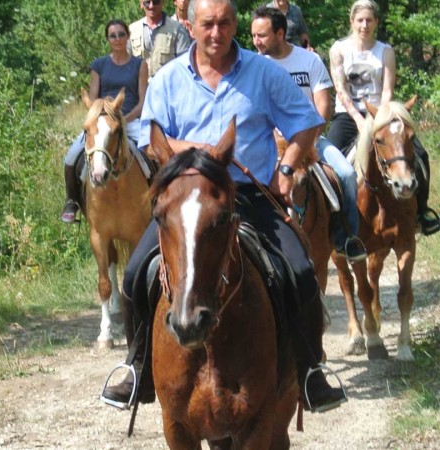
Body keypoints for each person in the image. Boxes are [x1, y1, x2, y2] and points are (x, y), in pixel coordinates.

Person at [100, 0, 347, 413]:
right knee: (133, 275)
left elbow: (307, 123)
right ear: (191, 26)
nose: (216, 33)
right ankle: (138, 367)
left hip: (247, 193)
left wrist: (286, 167)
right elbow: (150, 138)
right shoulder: (168, 79)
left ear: (237, 24)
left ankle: (309, 370)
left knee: (301, 271)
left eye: (225, 23)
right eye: (208, 24)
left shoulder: (264, 72)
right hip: (184, 201)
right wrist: (200, 151)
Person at [251, 6, 367, 262]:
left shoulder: (309, 60)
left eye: (261, 35)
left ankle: (346, 237)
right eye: (253, 36)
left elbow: (323, 107)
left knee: (346, 174)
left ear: (280, 33)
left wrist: (308, 140)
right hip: (271, 144)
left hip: (311, 139)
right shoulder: (254, 66)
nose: (255, 42)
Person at [327, 0, 440, 235]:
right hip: (348, 115)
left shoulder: (385, 51)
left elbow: (387, 90)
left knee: (419, 154)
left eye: (369, 20)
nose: (364, 25)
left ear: (377, 22)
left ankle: (422, 211)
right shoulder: (338, 49)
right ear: (352, 21)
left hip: (382, 114)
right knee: (327, 162)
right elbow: (341, 89)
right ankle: (331, 218)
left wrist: (380, 117)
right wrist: (359, 118)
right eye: (360, 20)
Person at [60, 20, 149, 223]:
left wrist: (121, 121)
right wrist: (100, 120)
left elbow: (143, 102)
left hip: (130, 120)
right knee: (71, 156)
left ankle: (157, 201)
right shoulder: (99, 65)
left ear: (128, 36)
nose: (117, 39)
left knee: (149, 155)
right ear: (108, 39)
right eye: (112, 35)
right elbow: (92, 98)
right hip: (101, 122)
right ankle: (72, 201)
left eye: (121, 34)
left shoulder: (139, 65)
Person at [128, 0, 192, 79]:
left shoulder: (177, 30)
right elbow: (125, 65)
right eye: (147, 2)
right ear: (141, 4)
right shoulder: (132, 30)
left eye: (156, 2)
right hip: (138, 89)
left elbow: (184, 66)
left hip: (167, 88)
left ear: (163, 2)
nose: (151, 6)